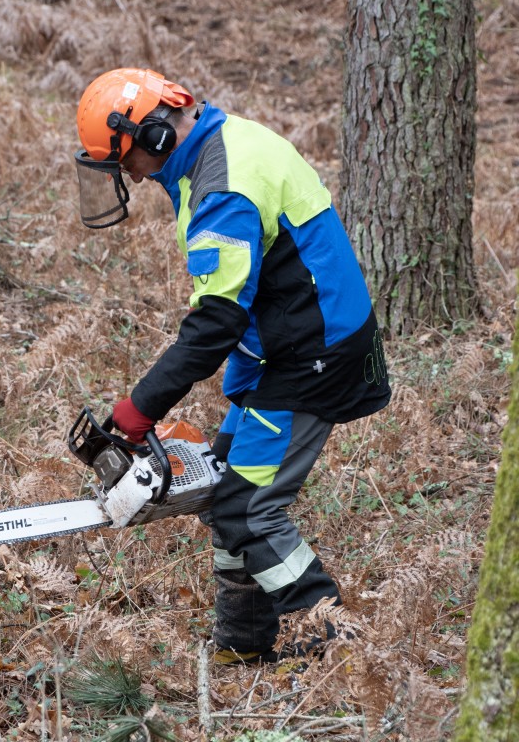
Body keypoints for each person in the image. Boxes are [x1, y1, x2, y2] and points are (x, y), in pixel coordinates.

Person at [73, 68, 391, 665]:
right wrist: (242, 387)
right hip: (288, 344)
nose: (131, 177)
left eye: (126, 162)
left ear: (154, 137)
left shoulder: (222, 189)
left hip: (315, 355)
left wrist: (138, 411)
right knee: (225, 490)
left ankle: (340, 650)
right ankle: (246, 642)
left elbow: (215, 321)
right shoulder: (219, 147)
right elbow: (259, 288)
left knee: (248, 506)